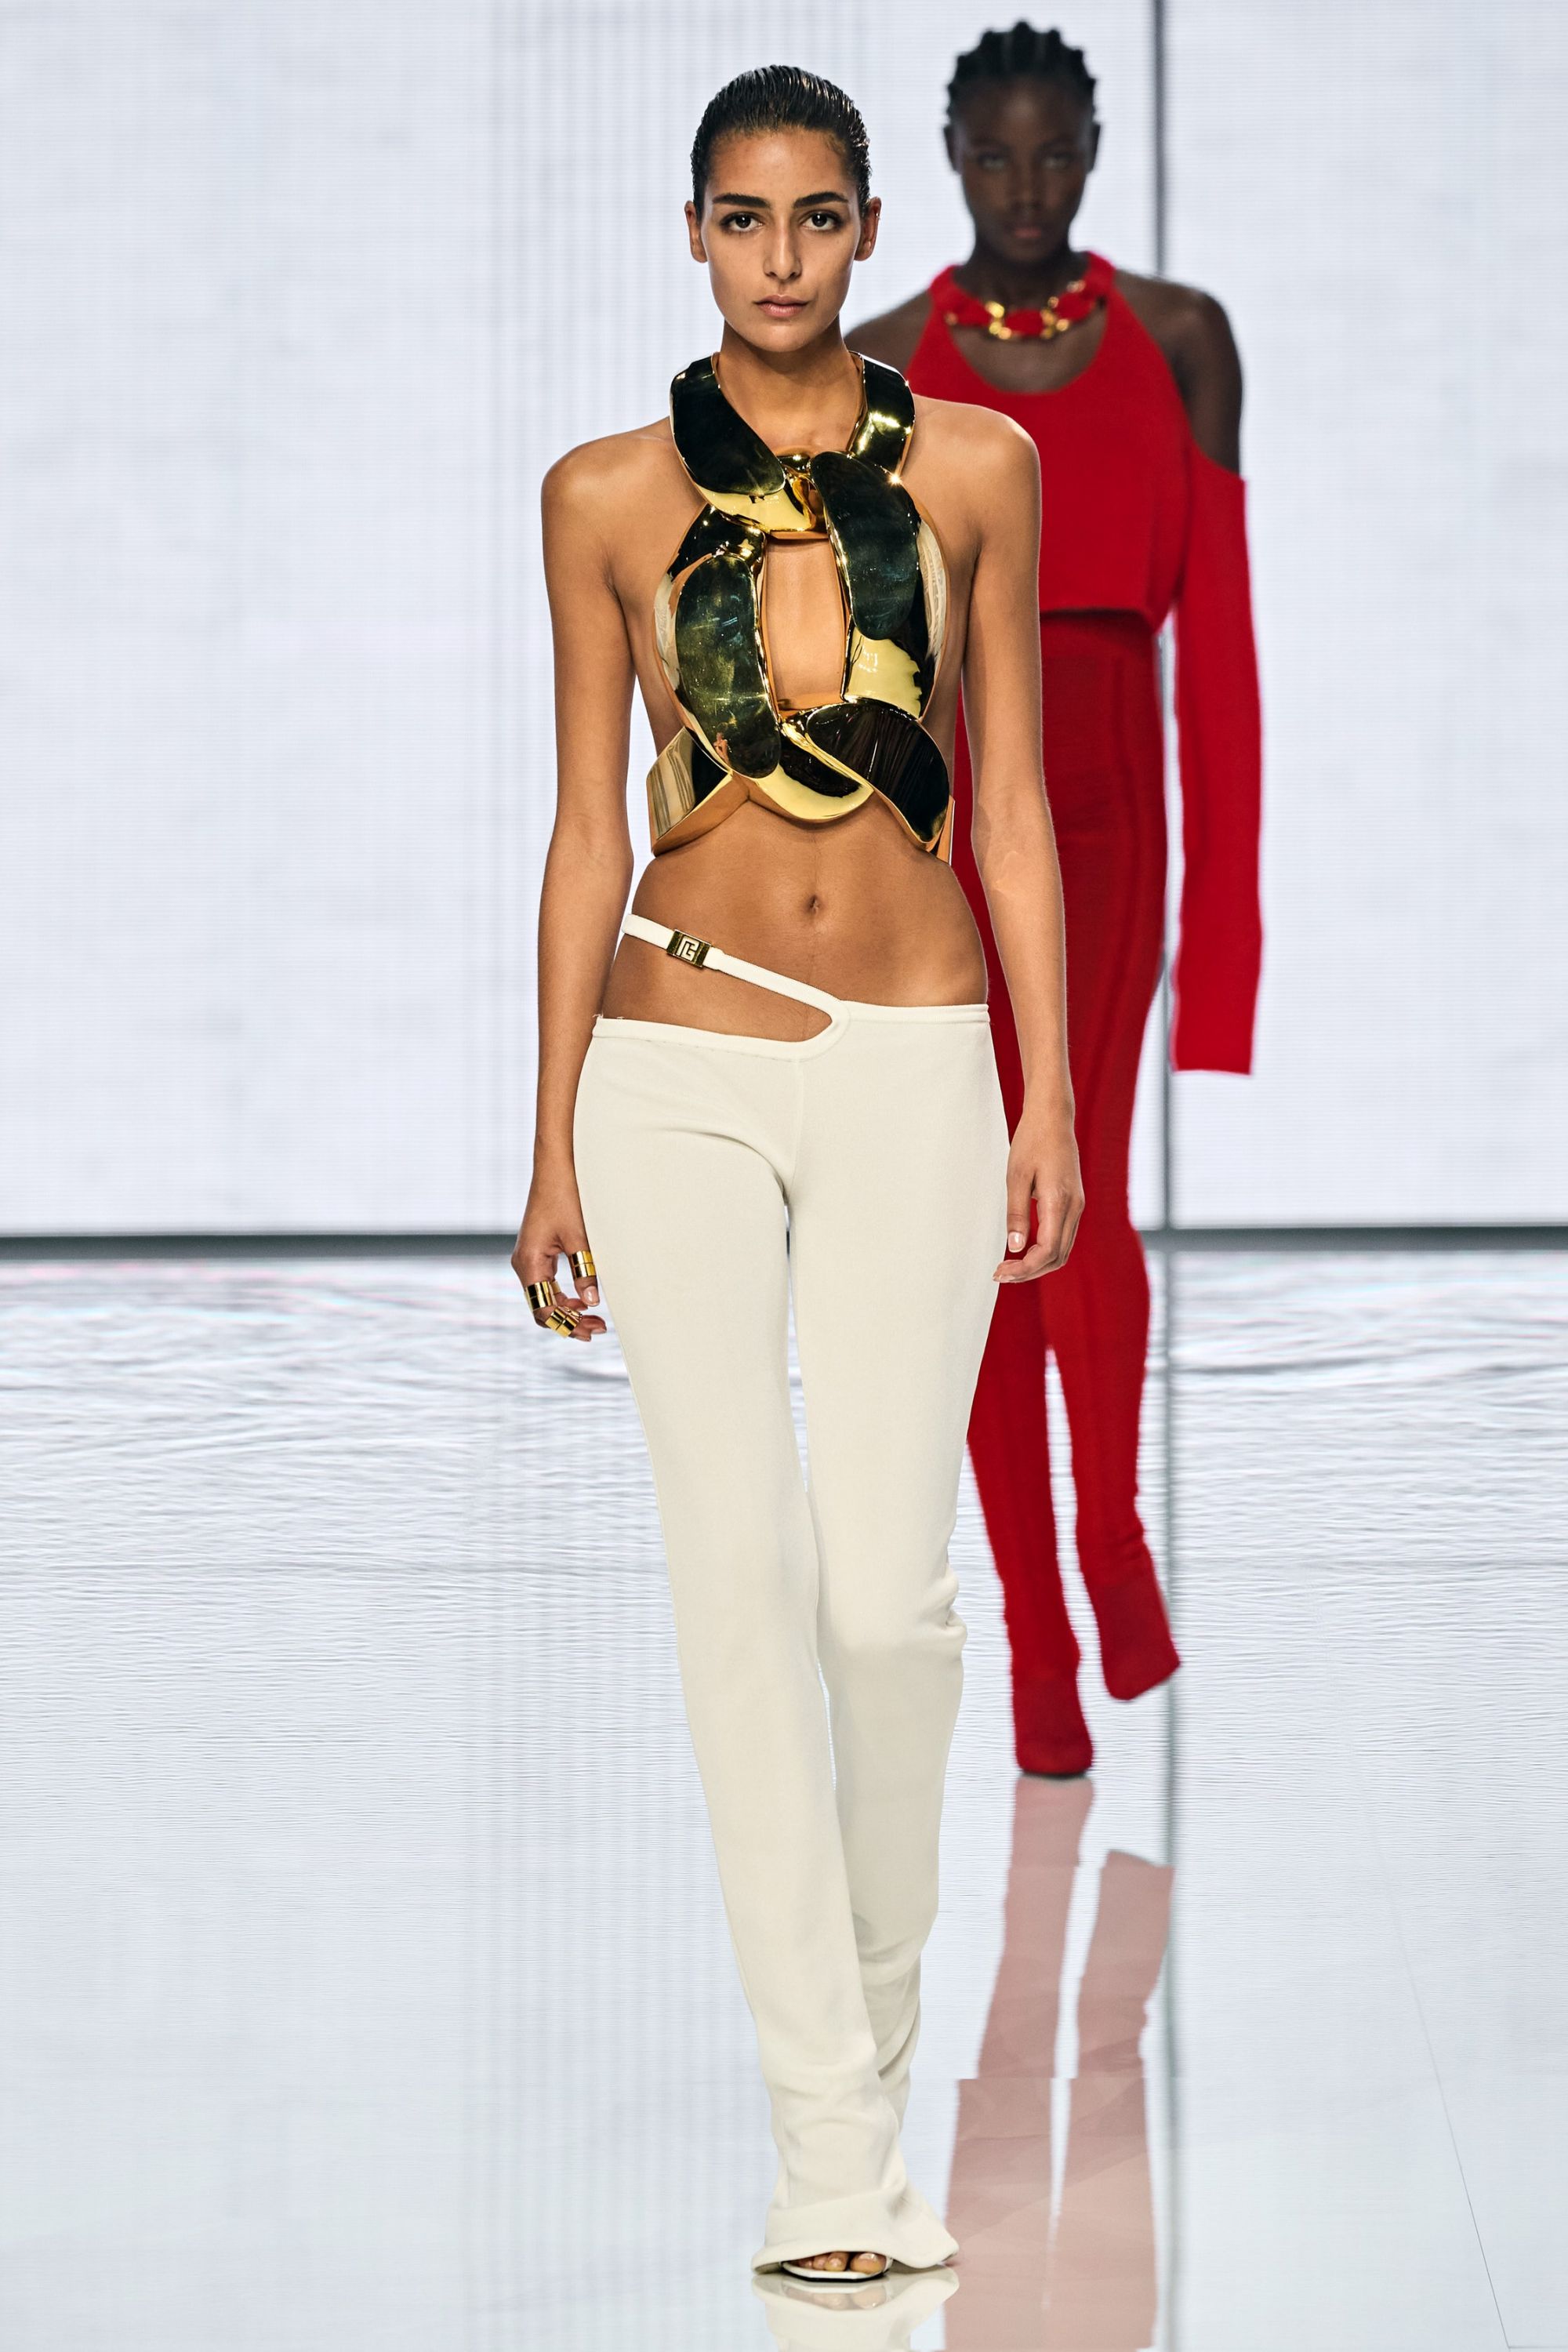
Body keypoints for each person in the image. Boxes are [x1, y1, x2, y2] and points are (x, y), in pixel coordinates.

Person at [511, 64, 1083, 2285]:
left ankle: (868, 2050)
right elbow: (587, 826)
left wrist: (1047, 1097)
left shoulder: (978, 470)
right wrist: (547, 1134)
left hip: (918, 1058)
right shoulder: (601, 496)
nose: (777, 256)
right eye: (740, 218)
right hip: (673, 1060)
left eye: (814, 217)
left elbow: (1009, 804)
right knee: (738, 1590)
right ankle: (832, 2157)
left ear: (863, 232)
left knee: (883, 1609)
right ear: (691, 232)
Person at [853, 22, 1262, 1780]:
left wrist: (1228, 950)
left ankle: (1109, 1530)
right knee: (976, 1207)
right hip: (949, 798)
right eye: (994, 155)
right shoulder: (885, 361)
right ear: (952, 158)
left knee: (1068, 1166)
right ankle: (1036, 1620)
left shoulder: (1183, 341)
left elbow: (1219, 644)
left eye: (1055, 153)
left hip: (1113, 789)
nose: (1026, 186)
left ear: (1093, 150)